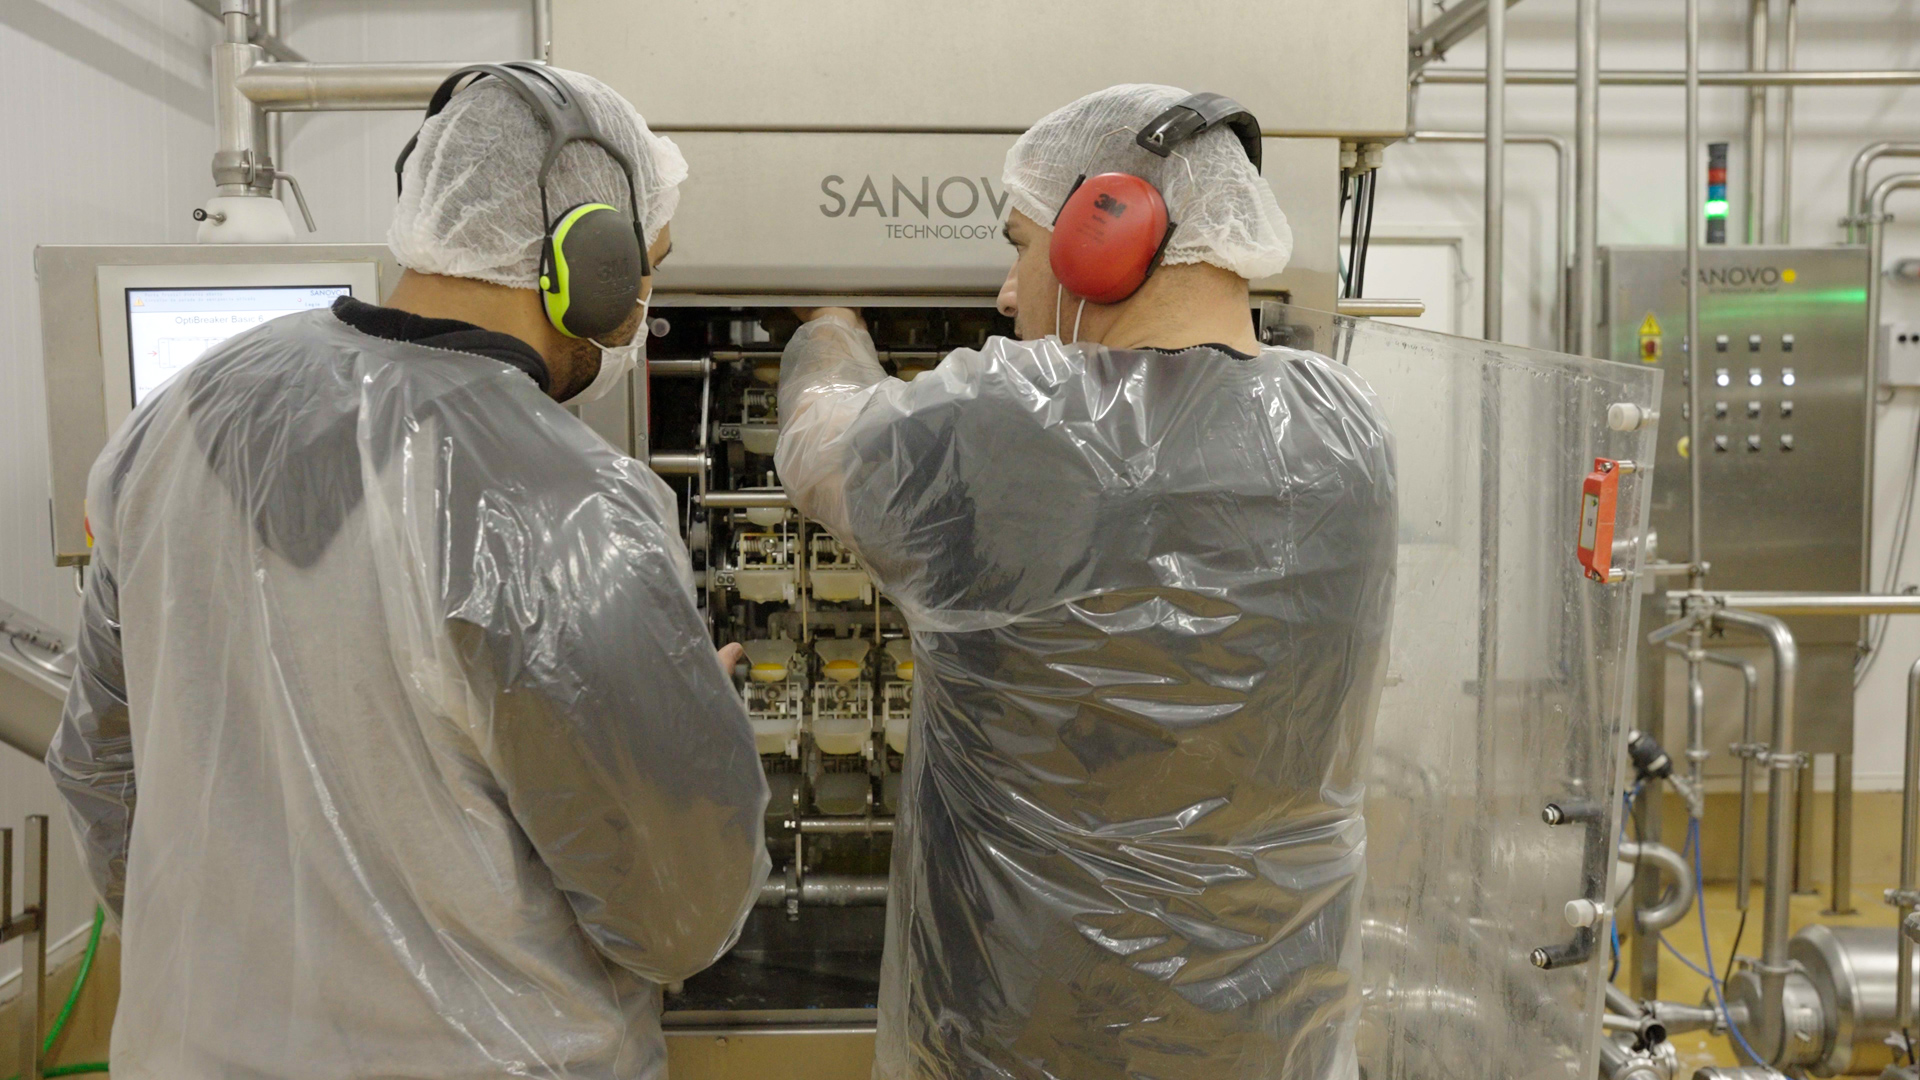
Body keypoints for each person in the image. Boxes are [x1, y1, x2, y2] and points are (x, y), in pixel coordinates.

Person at [47, 66, 769, 1078]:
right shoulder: (566, 506)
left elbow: (100, 779)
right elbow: (679, 913)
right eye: (646, 269)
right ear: (588, 263)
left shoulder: (177, 415)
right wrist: (700, 737)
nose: (641, 307)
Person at [775, 84, 1398, 1079]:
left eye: (1022, 246)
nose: (1007, 294)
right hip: (1271, 1034)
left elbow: (815, 441)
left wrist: (832, 322)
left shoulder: (1011, 422)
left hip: (1029, 1031)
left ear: (1109, 234)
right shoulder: (1347, 432)